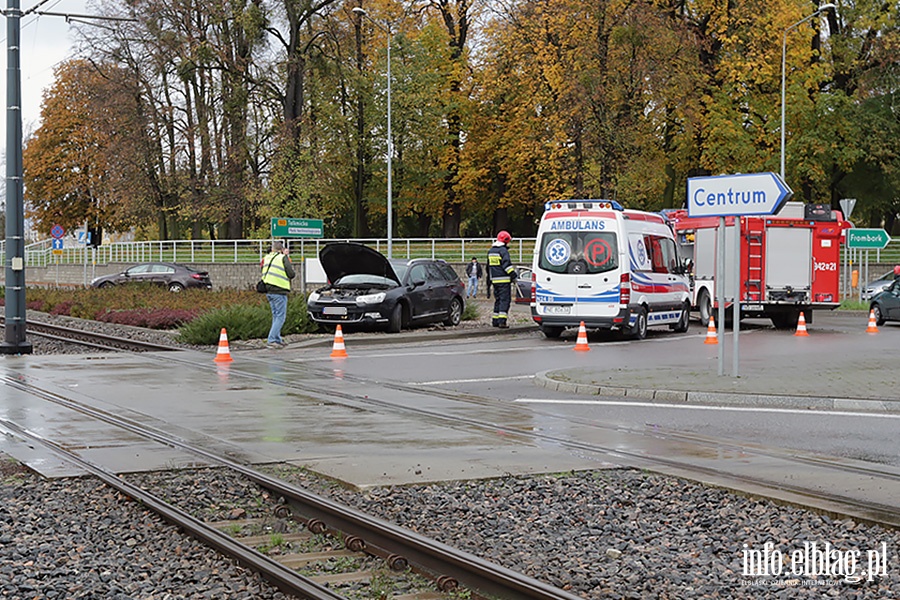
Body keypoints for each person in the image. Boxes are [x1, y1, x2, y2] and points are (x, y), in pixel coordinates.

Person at [260, 240, 296, 348]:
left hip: (269, 291)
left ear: (272, 249)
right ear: (281, 249)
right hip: (279, 291)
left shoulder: (266, 258)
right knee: (280, 317)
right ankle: (271, 339)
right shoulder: (282, 258)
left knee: (276, 316)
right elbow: (291, 274)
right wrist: (286, 257)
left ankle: (277, 339)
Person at [487, 231, 517, 328]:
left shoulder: (491, 251)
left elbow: (488, 267)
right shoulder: (503, 251)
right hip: (504, 281)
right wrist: (513, 275)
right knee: (505, 300)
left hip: (494, 280)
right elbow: (507, 265)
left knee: (498, 300)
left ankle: (495, 321)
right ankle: (502, 321)